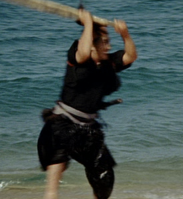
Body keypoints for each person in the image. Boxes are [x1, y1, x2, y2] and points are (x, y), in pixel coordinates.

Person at [37, 8, 137, 199]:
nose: (108, 47)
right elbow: (83, 53)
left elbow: (131, 56)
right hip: (60, 125)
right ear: (93, 44)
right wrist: (88, 24)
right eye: (105, 42)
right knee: (54, 179)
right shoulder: (77, 56)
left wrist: (125, 35)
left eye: (109, 42)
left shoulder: (109, 62)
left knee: (105, 178)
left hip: (88, 129)